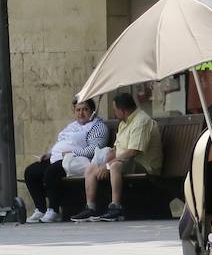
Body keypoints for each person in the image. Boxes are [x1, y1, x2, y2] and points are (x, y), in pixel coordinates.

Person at [72, 92, 162, 222]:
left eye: (115, 110)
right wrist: (103, 163)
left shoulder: (141, 121)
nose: (114, 113)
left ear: (123, 110)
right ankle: (90, 208)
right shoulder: (124, 123)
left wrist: (108, 165)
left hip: (145, 166)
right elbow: (116, 149)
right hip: (126, 162)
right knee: (92, 167)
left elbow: (133, 151)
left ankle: (116, 206)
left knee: (115, 165)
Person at [24, 97, 110, 223]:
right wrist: (49, 153)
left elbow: (94, 149)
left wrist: (72, 152)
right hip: (57, 158)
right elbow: (62, 142)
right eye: (78, 110)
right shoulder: (72, 126)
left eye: (85, 109)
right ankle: (40, 209)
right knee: (31, 172)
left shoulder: (98, 126)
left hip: (76, 161)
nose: (81, 113)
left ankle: (53, 210)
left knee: (51, 172)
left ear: (92, 111)